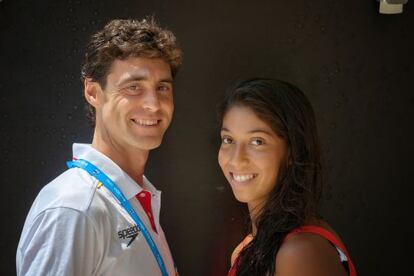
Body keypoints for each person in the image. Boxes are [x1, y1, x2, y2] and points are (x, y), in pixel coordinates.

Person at [16, 18, 182, 276]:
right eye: (134, 87)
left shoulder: (134, 196)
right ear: (93, 92)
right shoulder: (74, 207)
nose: (154, 104)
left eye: (162, 87)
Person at [218, 78, 357, 276]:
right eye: (228, 139)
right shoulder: (253, 247)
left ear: (292, 152)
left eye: (257, 141)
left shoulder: (299, 253)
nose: (236, 159)